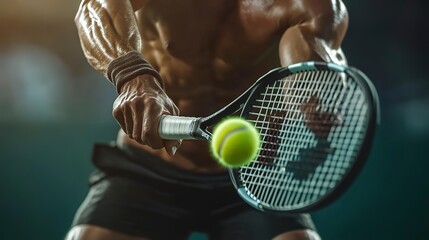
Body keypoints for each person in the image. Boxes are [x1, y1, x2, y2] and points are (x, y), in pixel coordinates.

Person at [66, 0, 348, 239]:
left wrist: (314, 98)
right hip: (149, 167)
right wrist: (132, 76)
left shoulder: (309, 5)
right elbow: (95, 9)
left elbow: (313, 73)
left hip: (253, 174)